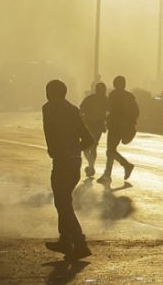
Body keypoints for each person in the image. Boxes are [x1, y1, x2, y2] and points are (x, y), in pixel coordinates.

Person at [42, 79, 93, 260]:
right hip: (75, 162)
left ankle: (79, 243)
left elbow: (51, 133)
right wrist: (74, 149)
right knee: (63, 201)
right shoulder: (73, 110)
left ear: (51, 94)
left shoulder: (49, 108)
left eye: (48, 92)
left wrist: (58, 150)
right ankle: (65, 240)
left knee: (63, 203)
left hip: (61, 162)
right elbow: (88, 139)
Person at [98, 76, 136, 182]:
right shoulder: (129, 97)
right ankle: (110, 172)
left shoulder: (113, 95)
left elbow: (108, 109)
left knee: (110, 150)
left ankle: (124, 166)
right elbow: (135, 112)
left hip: (115, 127)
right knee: (111, 150)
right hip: (121, 127)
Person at [79, 82, 109, 179]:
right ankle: (91, 165)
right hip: (96, 127)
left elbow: (81, 109)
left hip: (90, 126)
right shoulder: (105, 100)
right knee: (93, 147)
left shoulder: (90, 98)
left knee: (87, 147)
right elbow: (110, 112)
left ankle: (91, 165)